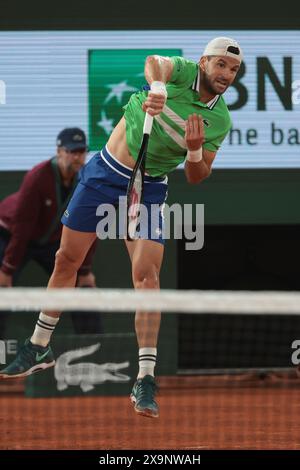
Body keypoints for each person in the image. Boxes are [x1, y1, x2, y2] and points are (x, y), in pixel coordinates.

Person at [0, 37, 243, 418]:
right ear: (204, 63)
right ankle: (39, 345)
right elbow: (153, 63)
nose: (226, 75)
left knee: (148, 279)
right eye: (221, 66)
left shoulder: (221, 119)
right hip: (104, 174)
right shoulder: (182, 73)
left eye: (233, 70)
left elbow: (198, 175)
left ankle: (145, 377)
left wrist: (195, 150)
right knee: (67, 260)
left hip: (149, 187)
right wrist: (159, 89)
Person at [0, 128, 101, 337]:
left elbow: (90, 226)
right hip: (11, 235)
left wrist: (85, 271)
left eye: (82, 152)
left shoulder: (87, 180)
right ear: (59, 151)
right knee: (2, 290)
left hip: (51, 242)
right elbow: (22, 226)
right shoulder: (37, 176)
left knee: (83, 292)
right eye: (71, 151)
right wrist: (7, 269)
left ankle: (95, 351)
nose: (77, 157)